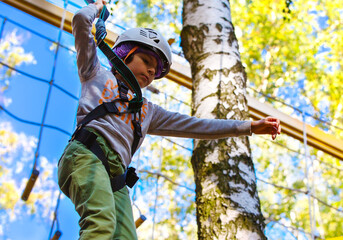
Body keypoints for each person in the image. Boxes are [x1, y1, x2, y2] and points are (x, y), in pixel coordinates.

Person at [57, 0, 282, 239]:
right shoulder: (95, 74)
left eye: (156, 70)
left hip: (116, 179)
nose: (152, 72)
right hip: (87, 155)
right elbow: (81, 20)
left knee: (125, 237)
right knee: (100, 223)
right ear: (124, 54)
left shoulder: (147, 111)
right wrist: (99, 7)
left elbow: (199, 126)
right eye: (147, 61)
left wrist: (249, 127)